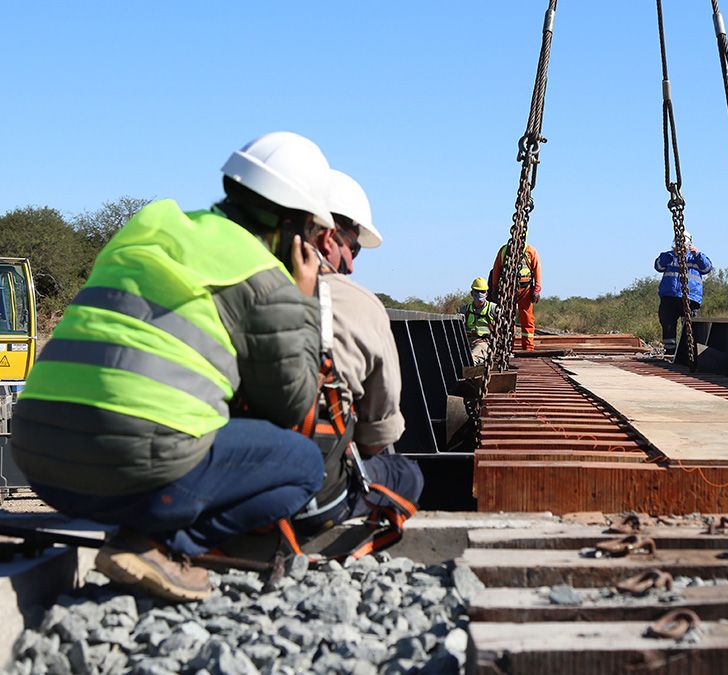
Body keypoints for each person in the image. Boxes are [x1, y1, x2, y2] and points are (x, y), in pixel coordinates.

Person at [11, 131, 330, 601]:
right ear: (296, 227)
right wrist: (303, 300)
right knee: (303, 464)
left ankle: (144, 528)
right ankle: (160, 545)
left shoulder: (147, 231)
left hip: (40, 459)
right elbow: (290, 405)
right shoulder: (263, 275)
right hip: (126, 466)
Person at [289, 169, 424, 535]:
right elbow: (376, 439)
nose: (351, 265)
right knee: (405, 475)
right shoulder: (358, 303)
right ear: (328, 237)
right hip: (312, 495)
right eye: (354, 248)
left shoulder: (239, 285)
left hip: (223, 478)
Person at [654, 230, 713, 354]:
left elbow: (707, 268)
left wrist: (697, 253)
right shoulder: (669, 256)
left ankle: (687, 352)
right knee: (667, 323)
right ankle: (670, 352)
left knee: (690, 326)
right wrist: (671, 255)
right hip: (670, 297)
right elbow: (658, 266)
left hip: (691, 298)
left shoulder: (696, 258)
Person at [489, 241, 541, 351]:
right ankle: (508, 346)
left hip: (525, 290)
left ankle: (528, 347)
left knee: (527, 319)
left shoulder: (530, 251)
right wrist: (494, 288)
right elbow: (496, 269)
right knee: (507, 319)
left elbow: (537, 269)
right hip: (507, 290)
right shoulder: (504, 251)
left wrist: (536, 289)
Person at [459, 277, 498, 365]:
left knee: (471, 360)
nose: (479, 294)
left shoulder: (493, 309)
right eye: (476, 291)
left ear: (486, 294)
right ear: (472, 293)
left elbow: (504, 329)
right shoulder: (465, 310)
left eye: (482, 292)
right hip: (467, 341)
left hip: (485, 343)